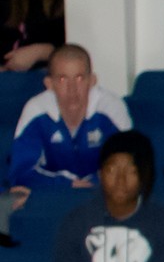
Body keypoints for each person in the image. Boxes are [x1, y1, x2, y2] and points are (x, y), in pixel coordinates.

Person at [49, 131, 164, 262]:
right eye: (112, 170)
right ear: (100, 173)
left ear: (144, 176)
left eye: (131, 171)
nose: (120, 180)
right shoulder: (76, 222)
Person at [10, 44, 128, 191]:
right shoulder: (36, 110)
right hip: (54, 197)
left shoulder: (112, 108)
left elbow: (126, 167)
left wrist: (92, 184)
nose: (72, 89)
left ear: (92, 81)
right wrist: (66, 184)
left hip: (101, 195)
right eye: (62, 79)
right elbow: (20, 172)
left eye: (79, 78)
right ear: (49, 84)